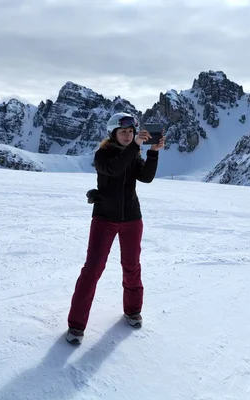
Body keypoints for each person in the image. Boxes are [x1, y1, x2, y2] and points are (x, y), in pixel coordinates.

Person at [66, 112, 165, 344]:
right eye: (123, 132)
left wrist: (152, 152)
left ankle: (133, 311)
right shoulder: (103, 154)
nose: (128, 135)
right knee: (92, 269)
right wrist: (136, 148)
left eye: (131, 132)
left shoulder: (133, 153)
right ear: (113, 133)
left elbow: (146, 177)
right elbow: (113, 169)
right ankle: (76, 325)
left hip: (132, 219)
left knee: (131, 266)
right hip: (104, 219)